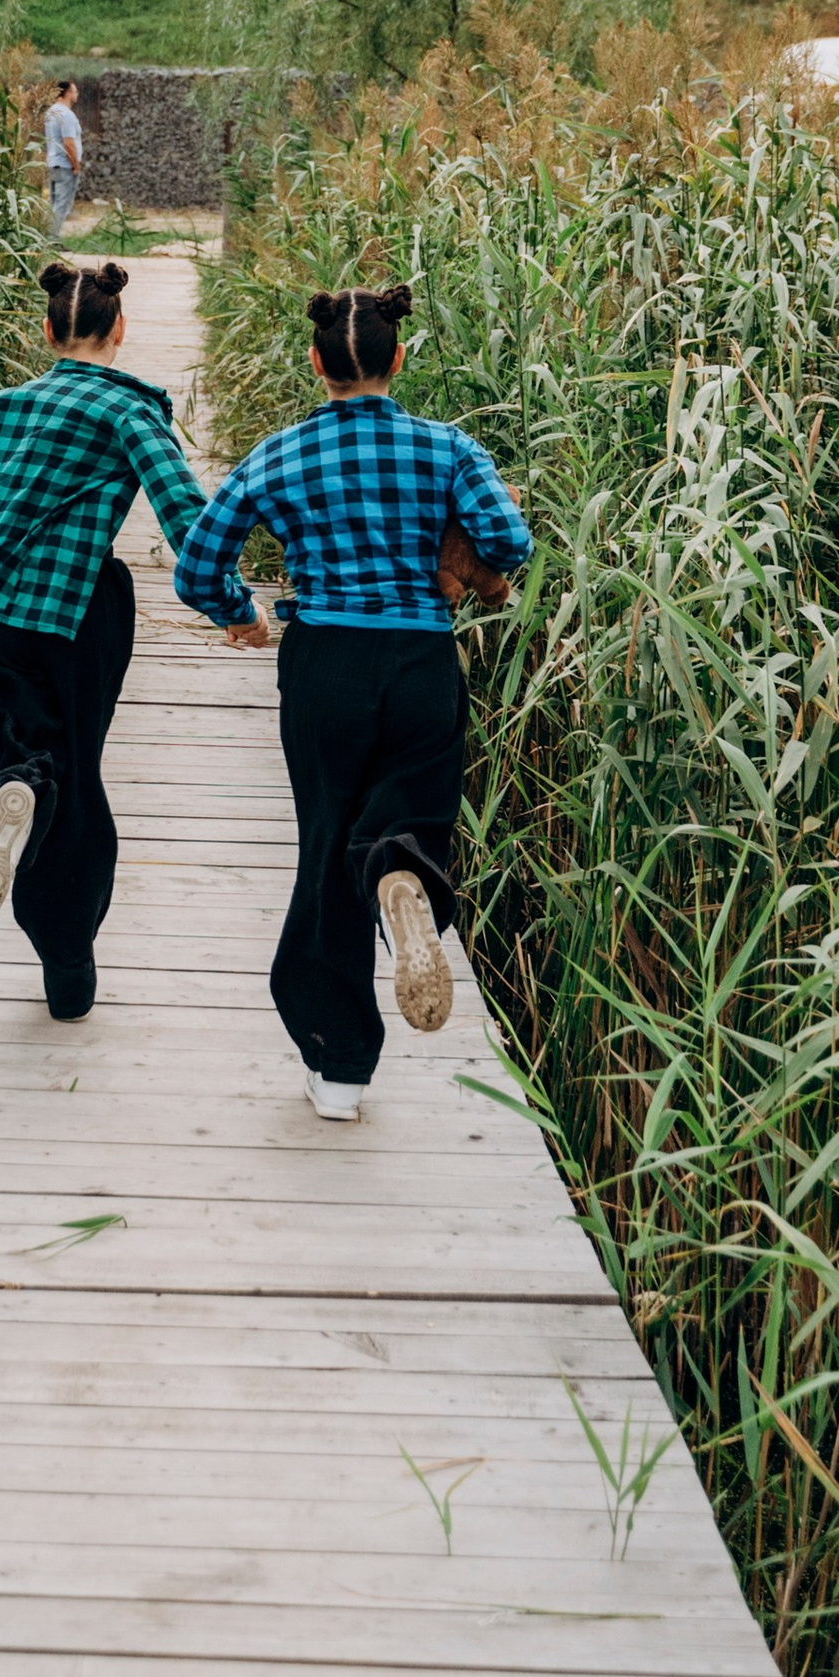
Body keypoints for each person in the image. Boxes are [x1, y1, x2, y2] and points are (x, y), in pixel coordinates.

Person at [175, 283, 530, 1121]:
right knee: (409, 814)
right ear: (397, 358)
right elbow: (510, 541)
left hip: (324, 660)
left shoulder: (281, 454)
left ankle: (338, 1070)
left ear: (316, 362)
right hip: (420, 658)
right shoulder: (447, 449)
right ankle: (403, 875)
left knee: (328, 840)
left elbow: (197, 565)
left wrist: (244, 615)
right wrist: (450, 551)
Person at [0, 259, 208, 1021]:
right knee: (76, 778)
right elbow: (185, 512)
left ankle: (9, 797)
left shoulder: (1, 404)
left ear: (47, 332)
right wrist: (230, 604)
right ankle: (68, 967)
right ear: (120, 329)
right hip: (77, 611)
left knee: (15, 750)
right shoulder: (128, 411)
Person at [41, 78, 84, 237]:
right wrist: (76, 164)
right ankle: (52, 239)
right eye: (75, 91)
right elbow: (69, 143)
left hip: (53, 162)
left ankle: (46, 237)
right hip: (65, 164)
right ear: (68, 93)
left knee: (54, 203)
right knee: (62, 204)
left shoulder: (51, 112)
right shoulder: (66, 115)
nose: (77, 95)